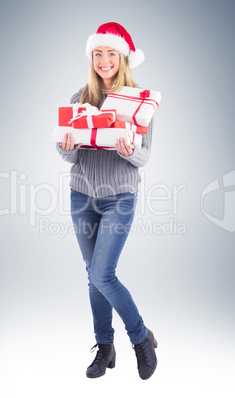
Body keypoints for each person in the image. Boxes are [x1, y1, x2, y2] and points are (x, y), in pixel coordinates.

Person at [56, 22, 158, 380]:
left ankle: (141, 338)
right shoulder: (78, 99)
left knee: (103, 274)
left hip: (120, 198)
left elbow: (144, 157)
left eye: (110, 53)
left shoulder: (138, 101)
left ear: (122, 57)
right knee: (92, 276)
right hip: (81, 195)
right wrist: (67, 147)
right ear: (92, 58)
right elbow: (66, 153)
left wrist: (128, 151)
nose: (103, 60)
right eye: (98, 54)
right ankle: (104, 345)